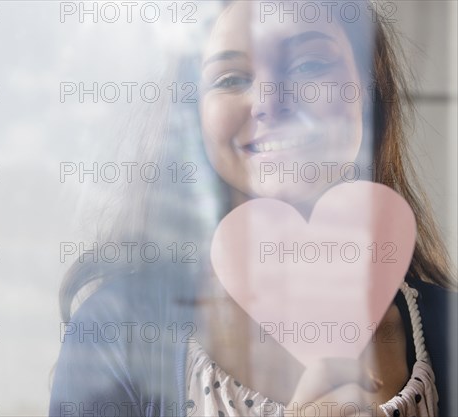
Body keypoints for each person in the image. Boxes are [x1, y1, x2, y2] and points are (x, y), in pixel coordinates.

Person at [49, 1, 457, 416]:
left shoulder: (448, 326)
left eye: (309, 65)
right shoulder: (116, 331)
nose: (269, 100)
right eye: (229, 78)